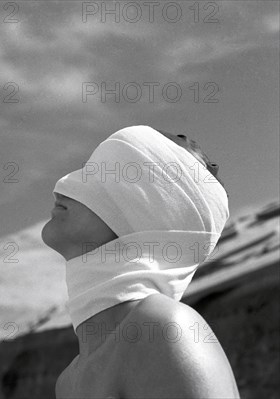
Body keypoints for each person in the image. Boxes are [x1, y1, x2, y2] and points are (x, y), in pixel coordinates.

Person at [41, 126, 240, 399]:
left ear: (154, 212)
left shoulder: (167, 330)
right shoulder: (69, 379)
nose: (62, 184)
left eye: (104, 171)